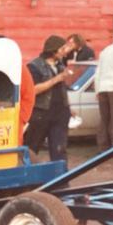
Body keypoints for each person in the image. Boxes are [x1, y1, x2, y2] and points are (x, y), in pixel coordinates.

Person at [24, 35, 73, 166]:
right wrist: (57, 79)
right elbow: (33, 90)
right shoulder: (34, 66)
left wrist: (69, 107)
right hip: (41, 113)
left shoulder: (60, 65)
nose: (65, 51)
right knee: (30, 148)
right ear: (53, 50)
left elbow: (62, 89)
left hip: (60, 112)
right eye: (62, 48)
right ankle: (26, 178)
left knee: (59, 149)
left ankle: (61, 181)